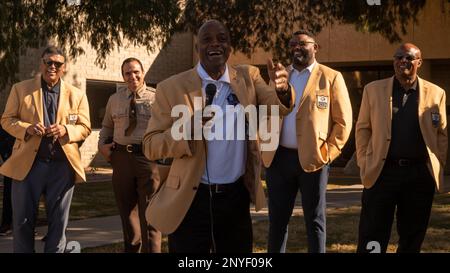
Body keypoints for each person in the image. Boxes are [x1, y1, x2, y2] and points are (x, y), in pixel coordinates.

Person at [142, 19, 295, 253]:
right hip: (190, 199)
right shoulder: (171, 88)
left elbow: (274, 106)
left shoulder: (248, 77)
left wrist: (282, 90)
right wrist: (187, 129)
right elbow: (151, 145)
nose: (215, 44)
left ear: (230, 46)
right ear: (197, 48)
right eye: (207, 40)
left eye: (222, 39)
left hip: (235, 197)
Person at [261, 30, 353, 253]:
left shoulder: (331, 77)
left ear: (316, 48)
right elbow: (266, 113)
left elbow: (344, 122)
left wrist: (327, 154)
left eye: (302, 43)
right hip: (279, 159)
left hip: (314, 160)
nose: (297, 48)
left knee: (315, 220)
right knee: (278, 222)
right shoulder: (280, 76)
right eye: (293, 44)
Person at [356, 43, 447, 253]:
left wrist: (437, 161)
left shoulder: (436, 93)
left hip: (418, 175)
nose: (402, 62)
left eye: (408, 58)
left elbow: (441, 133)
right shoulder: (373, 90)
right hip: (381, 172)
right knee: (373, 232)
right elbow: (362, 129)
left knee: (413, 234)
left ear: (419, 62)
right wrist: (363, 160)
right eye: (398, 57)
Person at [0, 46, 91, 253]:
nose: (52, 67)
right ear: (41, 64)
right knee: (22, 221)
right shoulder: (20, 89)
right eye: (48, 62)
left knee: (58, 224)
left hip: (62, 168)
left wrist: (66, 129)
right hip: (28, 167)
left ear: (64, 68)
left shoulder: (77, 95)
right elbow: (6, 120)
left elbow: (85, 127)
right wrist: (27, 128)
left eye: (57, 64)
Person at [98, 57, 161, 253]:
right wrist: (102, 146)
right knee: (127, 214)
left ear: (143, 73)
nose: (132, 76)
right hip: (121, 159)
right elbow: (107, 126)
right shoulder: (114, 99)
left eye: (136, 72)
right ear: (123, 76)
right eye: (127, 73)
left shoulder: (157, 97)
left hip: (147, 160)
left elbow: (167, 127)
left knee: (151, 213)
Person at [0, 124, 15, 236]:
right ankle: (6, 224)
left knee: (30, 196)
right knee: (8, 194)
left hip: (28, 161)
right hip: (10, 161)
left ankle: (30, 225)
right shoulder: (5, 122)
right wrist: (6, 157)